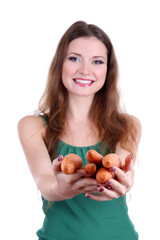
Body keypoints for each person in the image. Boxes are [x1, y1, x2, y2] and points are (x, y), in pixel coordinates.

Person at [18, 21, 141, 240]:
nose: (85, 70)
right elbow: (45, 183)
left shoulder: (128, 125)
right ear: (59, 64)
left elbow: (120, 166)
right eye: (74, 58)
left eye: (97, 61)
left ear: (108, 70)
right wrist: (60, 189)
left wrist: (123, 180)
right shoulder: (33, 126)